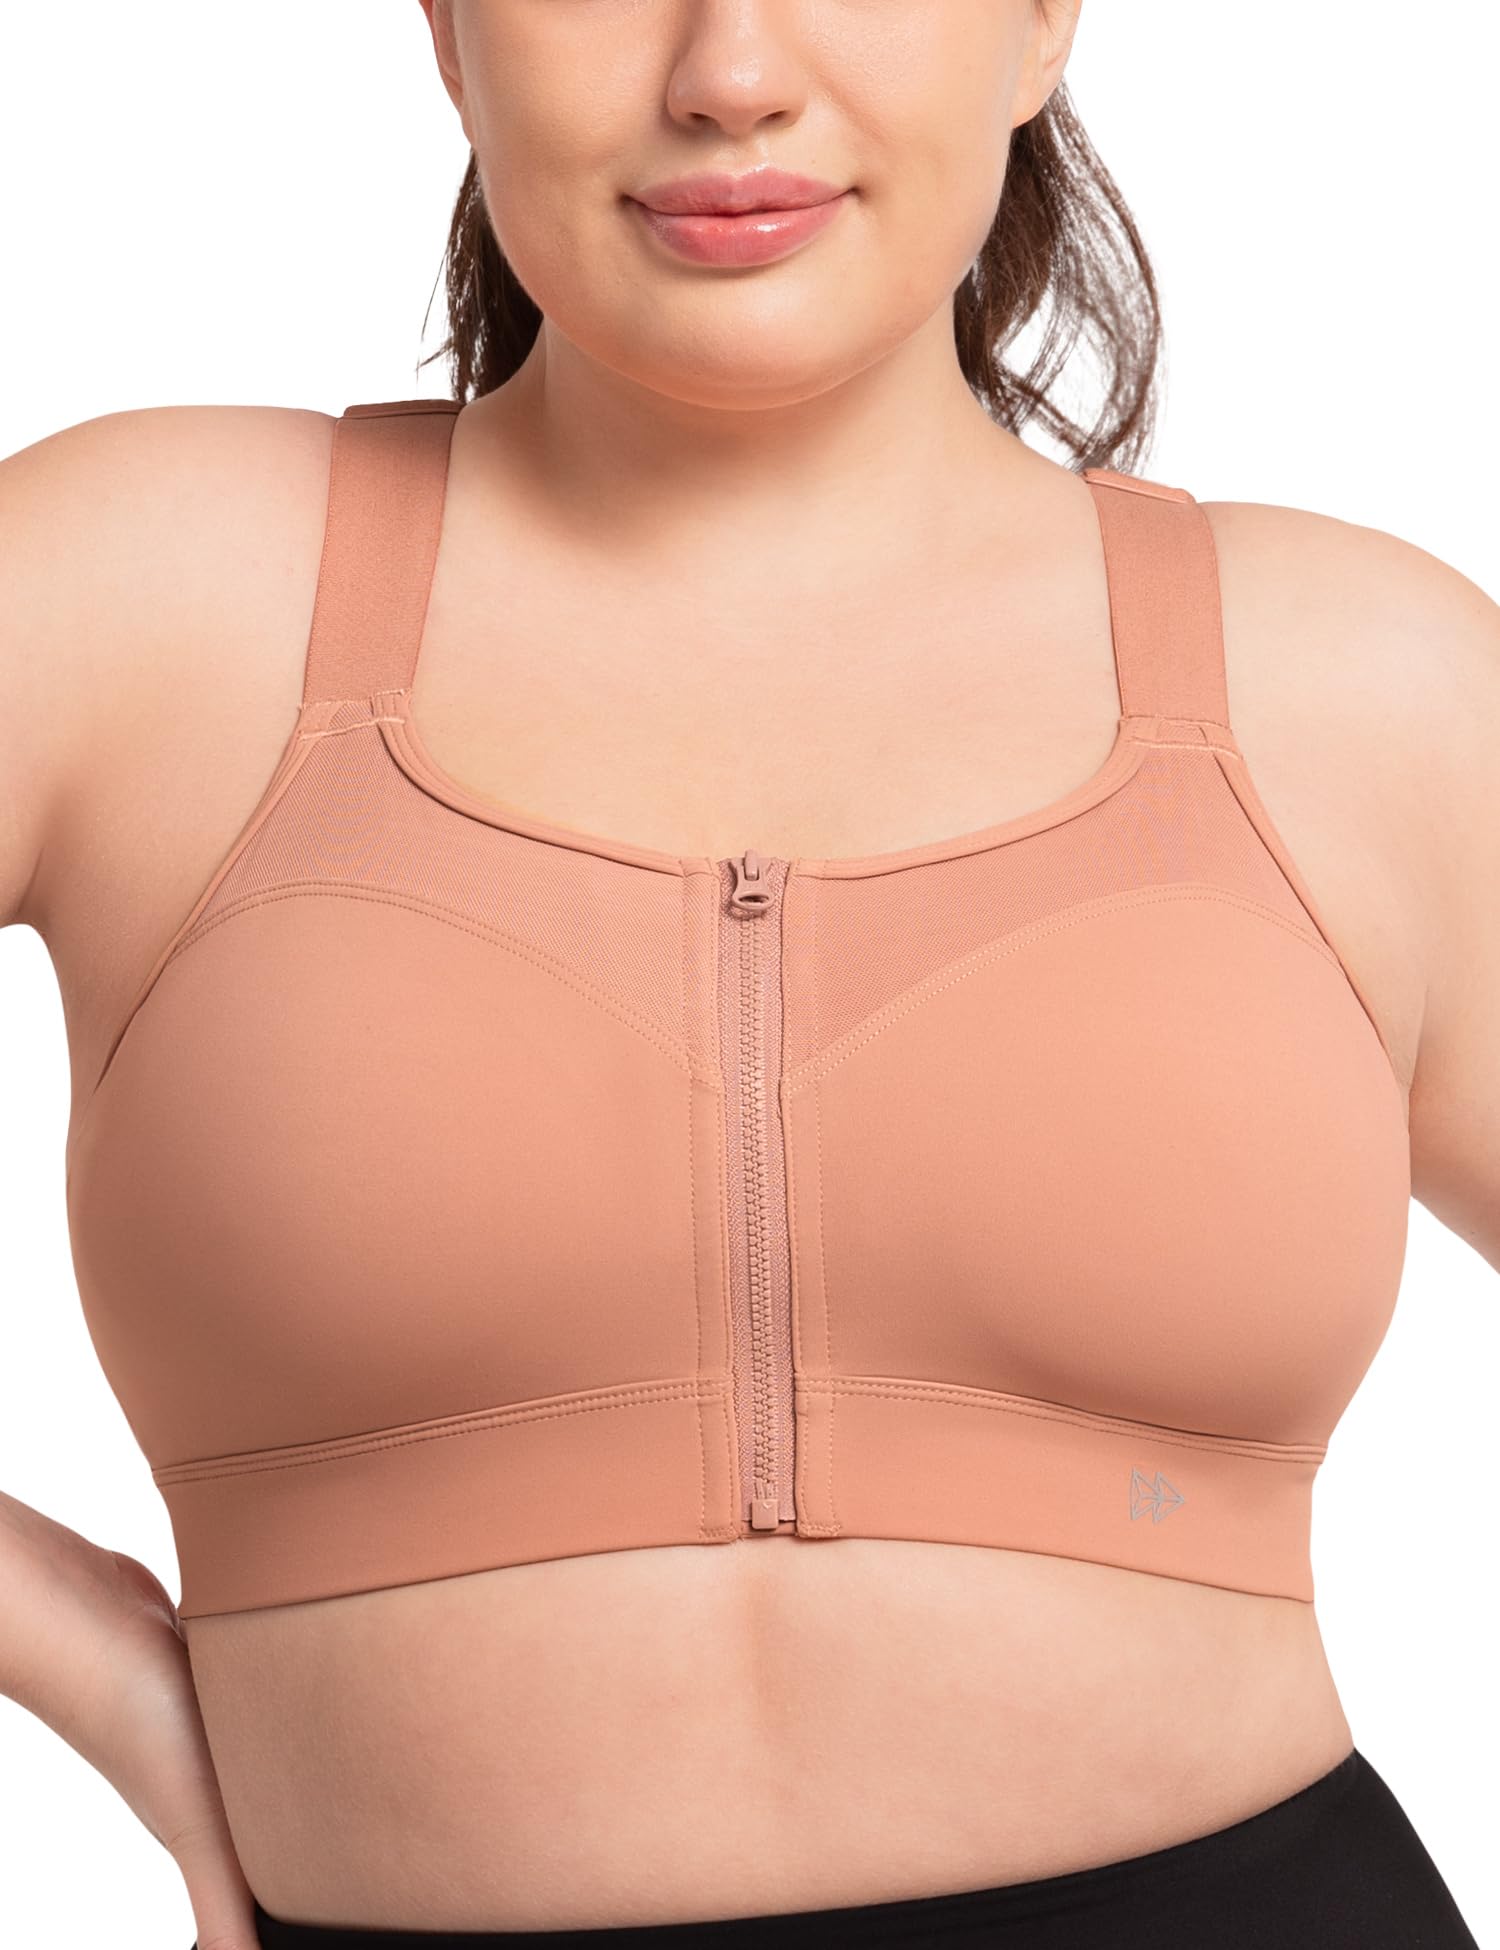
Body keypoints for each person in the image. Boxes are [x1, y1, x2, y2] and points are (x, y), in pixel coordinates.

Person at [0, 2, 1492, 1945]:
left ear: (1040, 20)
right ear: (447, 29)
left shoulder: (1361, 683)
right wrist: (103, 1675)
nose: (729, 74)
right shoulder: (136, 595)